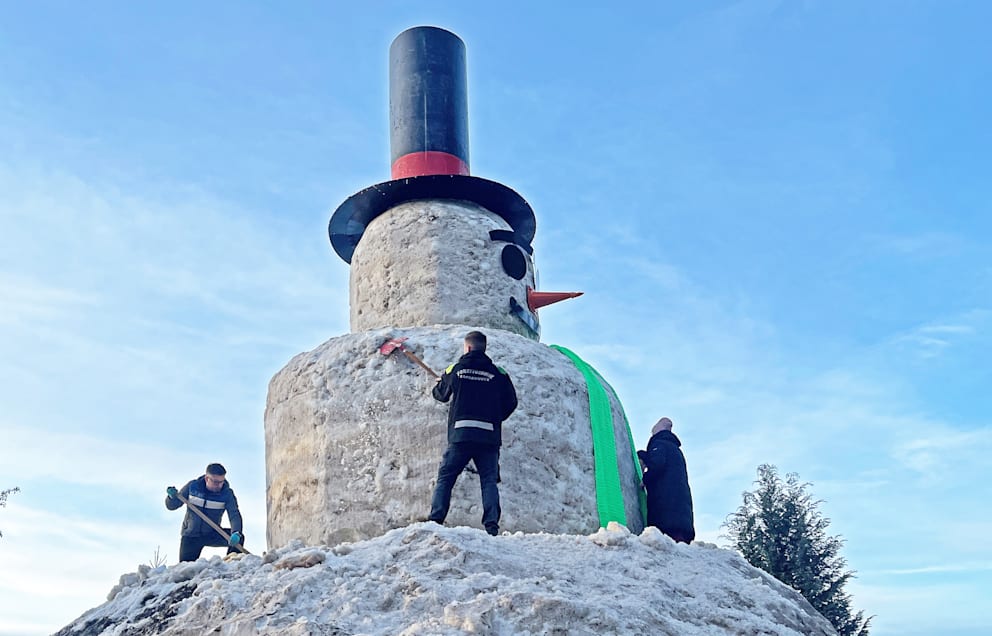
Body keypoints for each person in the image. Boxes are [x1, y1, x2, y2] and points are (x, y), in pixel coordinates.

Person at [428, 330, 517, 536]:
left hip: (462, 434)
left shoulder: (456, 369)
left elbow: (440, 395)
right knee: (488, 480)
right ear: (483, 347)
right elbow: (511, 402)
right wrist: (495, 419)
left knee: (446, 477)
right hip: (488, 436)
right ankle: (491, 525)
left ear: (467, 347)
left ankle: (436, 519)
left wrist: (441, 383)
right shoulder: (499, 373)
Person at [165, 463, 245, 561]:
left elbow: (234, 515)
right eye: (215, 482)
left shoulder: (226, 494)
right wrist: (171, 497)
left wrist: (236, 532)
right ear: (207, 478)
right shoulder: (192, 487)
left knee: (239, 538)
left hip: (211, 533)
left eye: (221, 481)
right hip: (191, 535)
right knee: (185, 570)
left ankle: (232, 565)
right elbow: (172, 506)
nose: (219, 485)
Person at [637, 417, 695, 544]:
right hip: (681, 517)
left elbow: (657, 464)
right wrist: (644, 455)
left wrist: (644, 479)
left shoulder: (659, 444)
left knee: (665, 547)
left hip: (666, 515)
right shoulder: (675, 450)